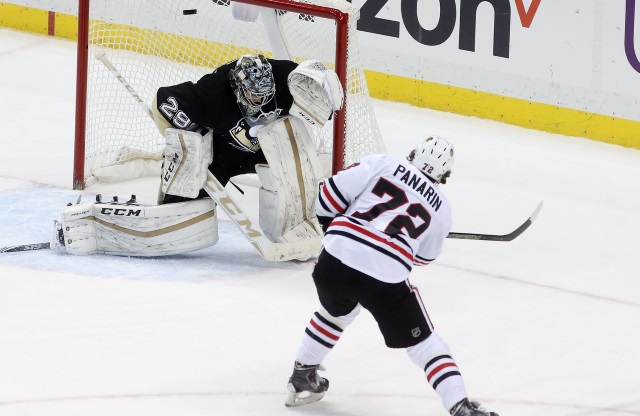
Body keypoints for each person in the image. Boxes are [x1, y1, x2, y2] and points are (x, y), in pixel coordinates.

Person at [284, 136, 499, 416]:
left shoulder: (383, 163)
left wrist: (336, 229)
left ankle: (302, 375)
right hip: (382, 277)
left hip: (334, 260)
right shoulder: (442, 210)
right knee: (424, 344)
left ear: (412, 154)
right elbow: (423, 258)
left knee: (334, 313)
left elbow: (329, 194)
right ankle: (460, 406)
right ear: (445, 174)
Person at [52, 54, 343, 257]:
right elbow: (165, 100)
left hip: (268, 149)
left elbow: (313, 84)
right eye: (255, 98)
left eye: (266, 97)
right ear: (240, 89)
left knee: (303, 167)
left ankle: (298, 228)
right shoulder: (214, 92)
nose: (261, 103)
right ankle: (98, 225)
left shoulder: (284, 77)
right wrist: (194, 139)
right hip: (221, 153)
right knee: (183, 211)